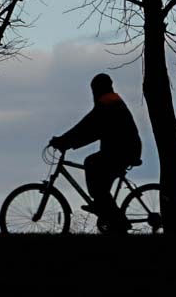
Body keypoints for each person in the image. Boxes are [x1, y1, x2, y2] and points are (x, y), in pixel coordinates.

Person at [49, 73, 142, 233]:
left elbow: (87, 126)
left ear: (97, 89)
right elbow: (92, 130)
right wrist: (68, 142)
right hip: (125, 149)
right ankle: (109, 214)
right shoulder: (112, 101)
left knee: (91, 163)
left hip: (122, 151)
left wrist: (64, 141)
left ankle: (116, 218)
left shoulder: (107, 104)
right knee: (101, 186)